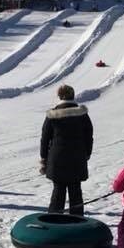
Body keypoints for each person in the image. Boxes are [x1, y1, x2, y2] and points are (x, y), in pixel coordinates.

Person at [39, 84, 93, 215]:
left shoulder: (53, 115)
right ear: (73, 95)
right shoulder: (82, 114)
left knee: (58, 190)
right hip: (77, 157)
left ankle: (54, 220)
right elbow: (89, 135)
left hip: (57, 158)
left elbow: (45, 138)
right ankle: (77, 221)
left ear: (59, 96)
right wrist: (86, 154)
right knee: (76, 190)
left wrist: (44, 158)